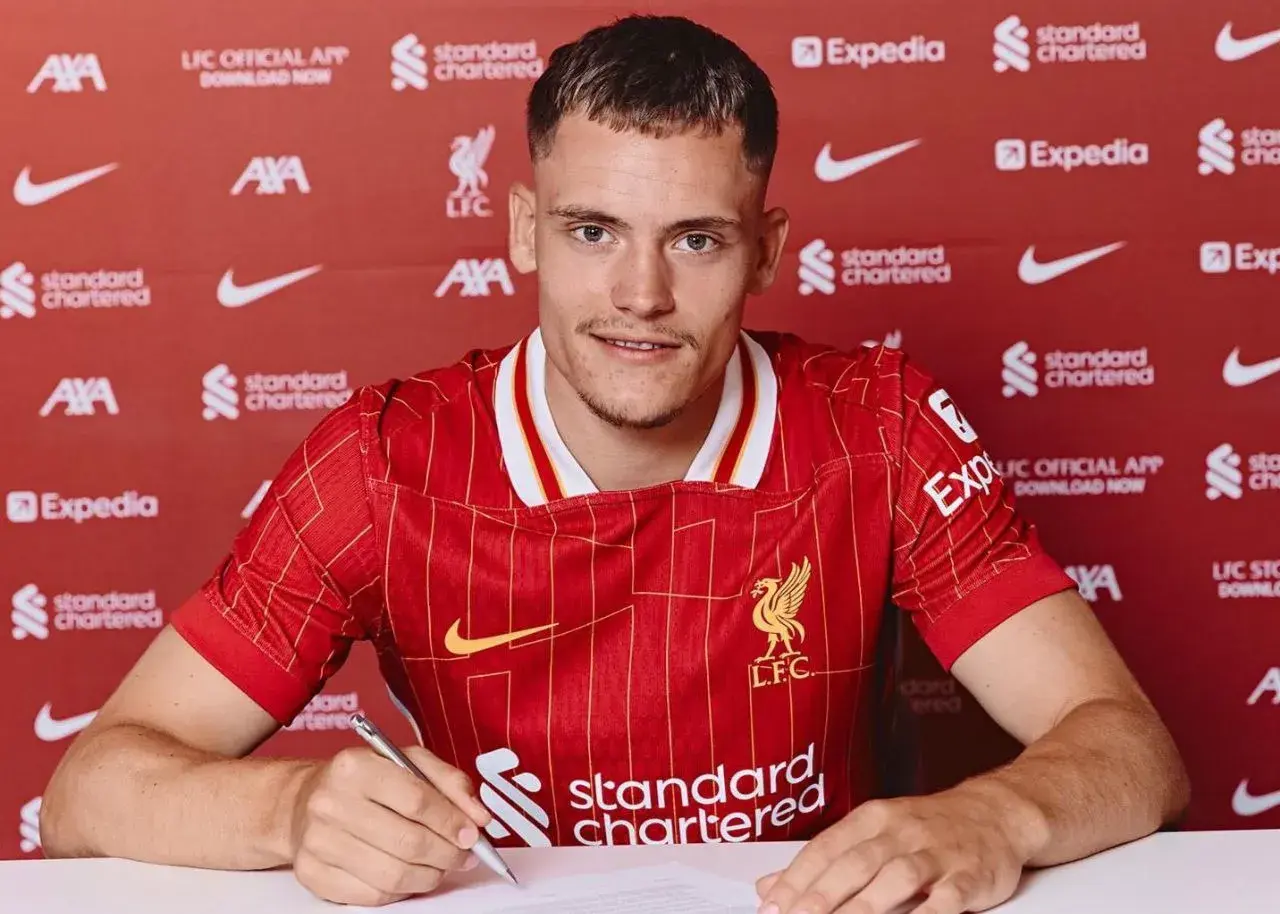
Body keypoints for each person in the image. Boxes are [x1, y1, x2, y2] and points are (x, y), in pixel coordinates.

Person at [40, 14, 1189, 914]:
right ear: (523, 229)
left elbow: (1128, 744)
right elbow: (86, 792)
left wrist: (995, 816)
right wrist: (291, 806)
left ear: (767, 250)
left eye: (695, 239)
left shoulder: (875, 425)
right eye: (592, 231)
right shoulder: (385, 462)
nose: (641, 294)